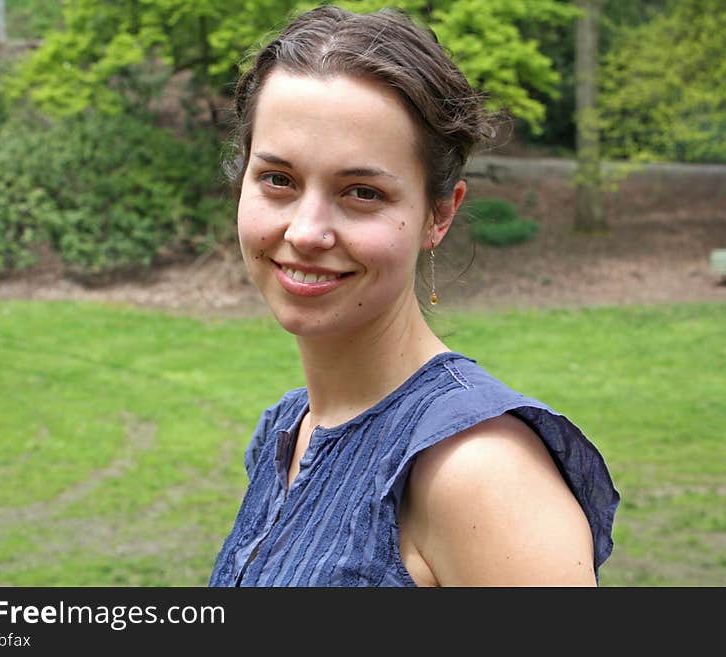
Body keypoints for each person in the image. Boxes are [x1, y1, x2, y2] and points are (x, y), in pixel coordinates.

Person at [208, 4, 619, 587]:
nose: (305, 231)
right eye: (279, 180)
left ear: (439, 214)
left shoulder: (478, 472)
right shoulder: (287, 432)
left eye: (362, 192)